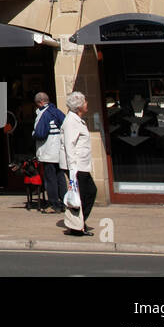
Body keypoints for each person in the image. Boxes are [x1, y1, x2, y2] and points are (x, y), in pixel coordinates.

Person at [62, 91, 96, 236]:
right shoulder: (71, 121)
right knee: (84, 194)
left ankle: (79, 224)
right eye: (84, 102)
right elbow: (69, 145)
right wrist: (72, 168)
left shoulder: (76, 119)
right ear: (78, 106)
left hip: (81, 165)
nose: (87, 103)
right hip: (76, 166)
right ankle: (76, 227)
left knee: (86, 193)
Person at [33, 91, 67, 214]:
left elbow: (40, 133)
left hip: (48, 151)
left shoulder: (44, 114)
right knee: (60, 176)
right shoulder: (57, 112)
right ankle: (64, 201)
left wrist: (33, 134)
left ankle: (54, 204)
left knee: (50, 179)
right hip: (58, 150)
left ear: (40, 102)